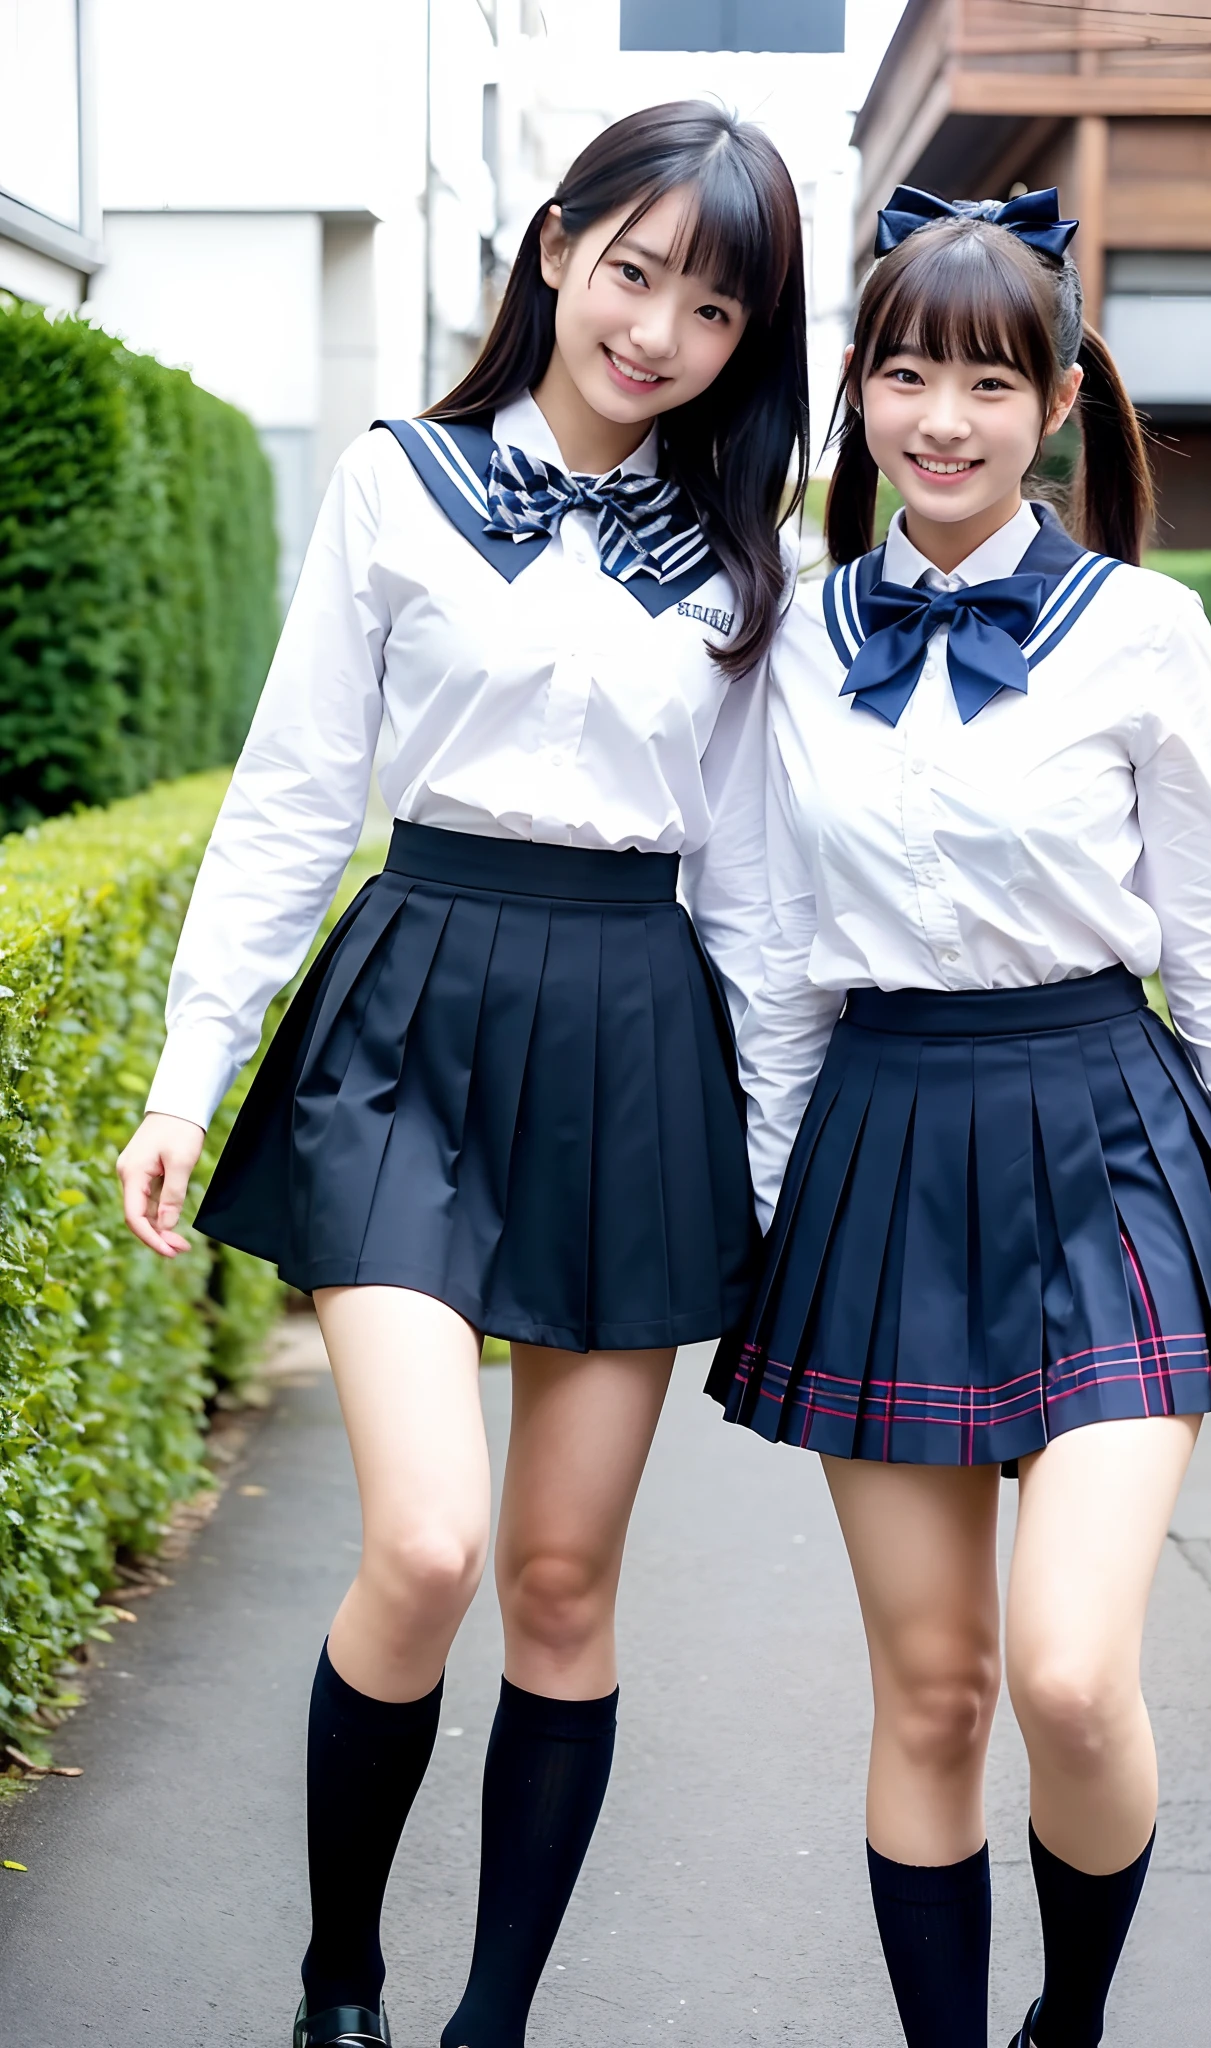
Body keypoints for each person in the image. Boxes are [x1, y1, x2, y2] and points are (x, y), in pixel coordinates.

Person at [116, 101, 807, 2048]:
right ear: (554, 246)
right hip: (414, 1016)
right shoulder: (398, 485)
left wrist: (770, 1153)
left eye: (712, 302)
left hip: (633, 1034)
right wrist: (186, 1075)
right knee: (423, 1542)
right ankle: (341, 1974)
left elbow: (754, 893)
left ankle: (485, 2023)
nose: (658, 325)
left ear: (746, 343)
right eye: (636, 267)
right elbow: (285, 803)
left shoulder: (738, 557)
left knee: (563, 1581)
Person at [708, 185, 1211, 2048]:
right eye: (907, 372)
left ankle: (1065, 2027)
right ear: (856, 391)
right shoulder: (791, 637)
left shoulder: (1144, 632)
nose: (945, 417)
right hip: (881, 1143)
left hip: (1108, 1142)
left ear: (1060, 402)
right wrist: (766, 1222)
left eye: (991, 380)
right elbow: (770, 961)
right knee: (932, 1693)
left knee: (1071, 1676)